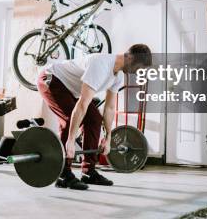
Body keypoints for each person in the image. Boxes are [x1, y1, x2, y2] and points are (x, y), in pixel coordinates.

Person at [37, 44, 152, 190]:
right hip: (51, 79)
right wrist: (71, 140)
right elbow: (83, 104)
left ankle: (88, 171)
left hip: (71, 90)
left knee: (94, 119)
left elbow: (109, 108)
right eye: (139, 67)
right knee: (69, 120)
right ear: (129, 57)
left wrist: (108, 137)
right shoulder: (101, 64)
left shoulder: (118, 76)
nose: (137, 72)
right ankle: (63, 173)